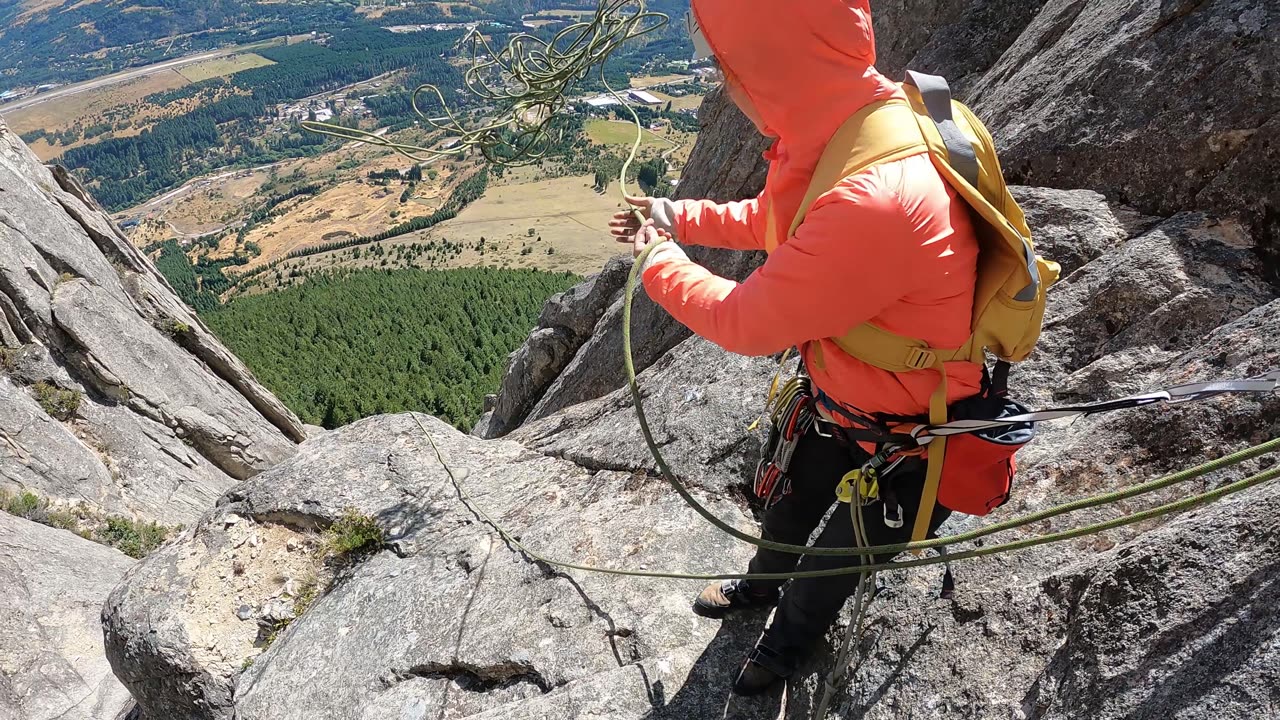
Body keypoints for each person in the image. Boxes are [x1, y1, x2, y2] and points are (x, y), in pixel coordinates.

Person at [608, 0, 984, 697]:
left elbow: (748, 321)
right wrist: (674, 216)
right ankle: (758, 590)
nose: (725, 83)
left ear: (766, 65)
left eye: (729, 66)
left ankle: (784, 650)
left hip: (914, 436)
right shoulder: (860, 121)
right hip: (846, 400)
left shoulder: (879, 195)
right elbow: (781, 221)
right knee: (787, 512)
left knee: (831, 566)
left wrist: (654, 260)